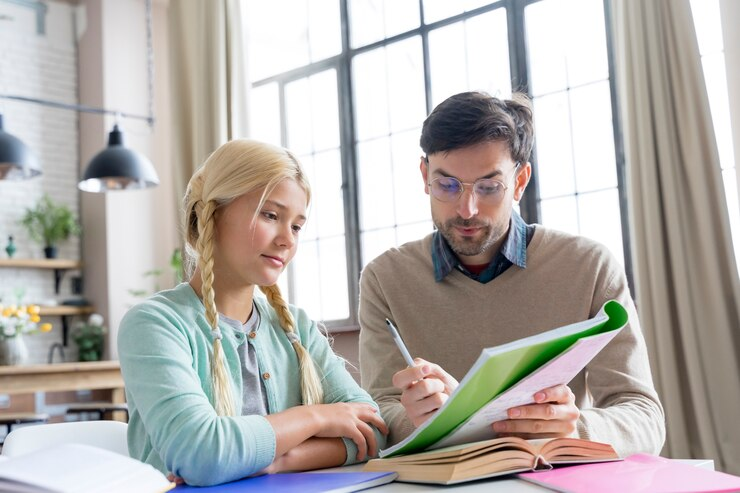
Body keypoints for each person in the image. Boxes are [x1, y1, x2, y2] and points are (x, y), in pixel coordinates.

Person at [358, 91, 665, 457]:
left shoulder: (589, 266)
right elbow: (379, 413)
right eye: (447, 185)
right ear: (425, 176)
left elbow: (644, 416)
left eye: (489, 187)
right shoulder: (384, 278)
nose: (467, 209)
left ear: (520, 182)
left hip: (551, 477)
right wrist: (418, 419)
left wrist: (574, 428)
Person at [118, 139, 387, 486]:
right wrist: (317, 418)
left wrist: (282, 460)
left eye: (297, 226)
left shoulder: (297, 327)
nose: (287, 240)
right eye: (271, 215)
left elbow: (374, 430)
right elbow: (200, 455)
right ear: (213, 215)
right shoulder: (155, 325)